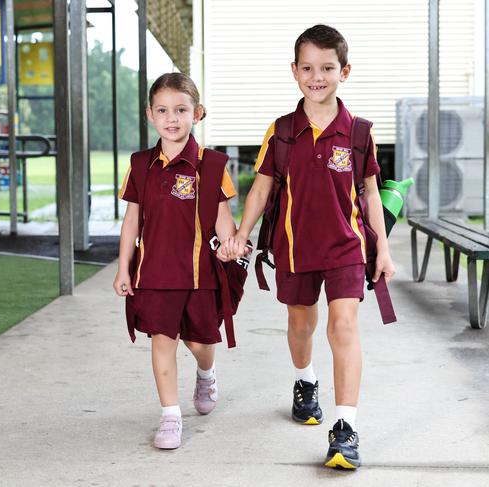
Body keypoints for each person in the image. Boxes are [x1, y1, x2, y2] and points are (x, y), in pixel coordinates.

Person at [223, 24, 395, 469]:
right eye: (308, 67)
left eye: (327, 68)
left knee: (343, 327)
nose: (316, 76)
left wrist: (385, 250)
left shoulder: (359, 132)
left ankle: (346, 428)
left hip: (346, 248)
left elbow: (372, 192)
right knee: (301, 328)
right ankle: (305, 382)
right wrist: (242, 233)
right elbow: (261, 190)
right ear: (294, 71)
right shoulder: (281, 132)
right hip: (295, 251)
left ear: (345, 71)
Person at [113, 72, 238, 450]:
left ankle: (206, 371)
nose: (172, 118)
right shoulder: (139, 164)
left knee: (200, 341)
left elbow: (223, 219)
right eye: (164, 110)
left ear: (197, 113)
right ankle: (170, 416)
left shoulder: (213, 165)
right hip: (154, 274)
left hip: (200, 275)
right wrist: (123, 267)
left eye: (181, 109)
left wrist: (230, 245)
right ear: (151, 114)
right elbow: (132, 219)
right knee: (162, 340)